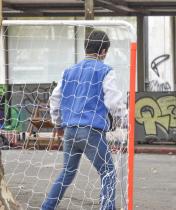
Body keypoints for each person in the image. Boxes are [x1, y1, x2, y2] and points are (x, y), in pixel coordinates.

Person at [41, 30, 123, 210]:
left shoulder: (68, 71)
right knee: (108, 171)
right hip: (91, 130)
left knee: (67, 172)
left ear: (86, 47)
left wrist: (58, 123)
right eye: (106, 52)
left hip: (70, 130)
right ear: (103, 51)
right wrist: (122, 120)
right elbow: (113, 101)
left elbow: (55, 99)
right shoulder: (105, 70)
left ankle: (46, 208)